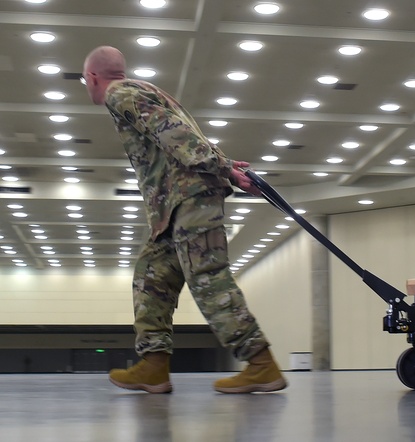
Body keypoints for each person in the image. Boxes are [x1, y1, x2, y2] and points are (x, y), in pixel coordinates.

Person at [83, 45, 287, 394]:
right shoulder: (145, 89)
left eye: (85, 82)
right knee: (151, 276)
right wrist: (225, 164)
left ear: (92, 77)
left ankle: (260, 363)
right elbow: (184, 129)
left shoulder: (119, 94)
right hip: (171, 207)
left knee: (207, 277)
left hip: (189, 197)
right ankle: (154, 366)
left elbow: (175, 133)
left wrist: (223, 169)